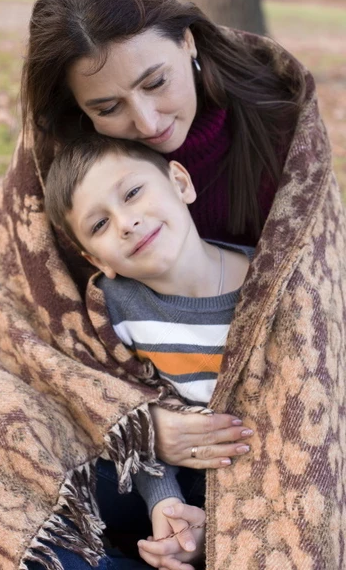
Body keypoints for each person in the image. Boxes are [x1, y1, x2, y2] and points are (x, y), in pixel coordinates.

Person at [0, 0, 343, 570]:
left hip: (256, 419)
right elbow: (18, 304)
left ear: (188, 42)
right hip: (133, 427)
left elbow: (312, 300)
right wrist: (138, 423)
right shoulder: (62, 155)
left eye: (155, 82)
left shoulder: (276, 112)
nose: (146, 123)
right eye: (108, 107)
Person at [43, 135, 257, 569]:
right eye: (99, 225)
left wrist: (216, 530)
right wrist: (167, 506)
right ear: (95, 257)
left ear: (179, 181)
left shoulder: (269, 279)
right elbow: (129, 413)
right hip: (167, 477)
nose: (125, 223)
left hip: (259, 480)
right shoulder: (115, 306)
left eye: (133, 193)